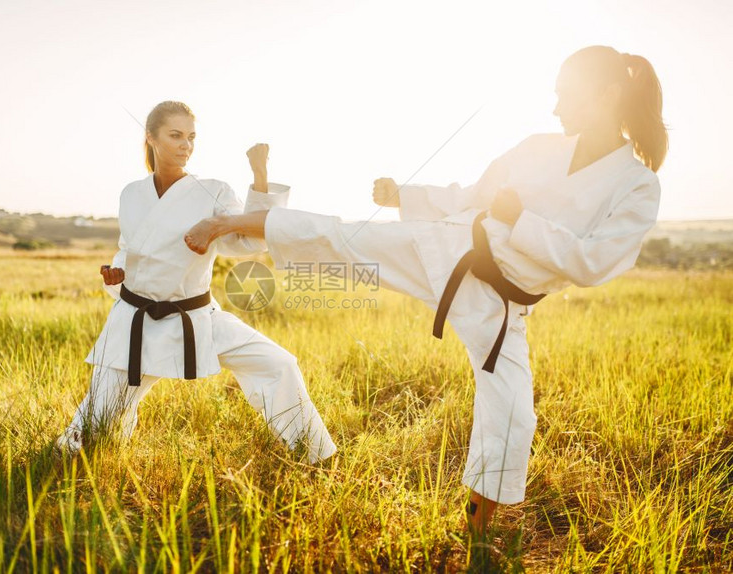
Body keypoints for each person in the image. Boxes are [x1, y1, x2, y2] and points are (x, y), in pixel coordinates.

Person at [182, 46, 667, 534]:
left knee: (513, 410)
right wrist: (404, 198)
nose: (556, 107)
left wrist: (522, 220)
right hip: (449, 246)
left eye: (565, 95)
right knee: (343, 238)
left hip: (501, 301)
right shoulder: (539, 146)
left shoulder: (637, 184)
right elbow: (473, 196)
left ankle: (477, 535)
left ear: (606, 95)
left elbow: (593, 262)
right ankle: (227, 223)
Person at [56, 101, 337, 464]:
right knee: (93, 427)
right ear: (151, 138)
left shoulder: (213, 190)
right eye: (175, 136)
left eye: (191, 137)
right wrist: (116, 272)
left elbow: (251, 241)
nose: (185, 145)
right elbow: (128, 250)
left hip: (196, 316)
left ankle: (316, 457)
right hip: (136, 319)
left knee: (278, 364)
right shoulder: (131, 194)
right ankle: (79, 459)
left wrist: (258, 175)